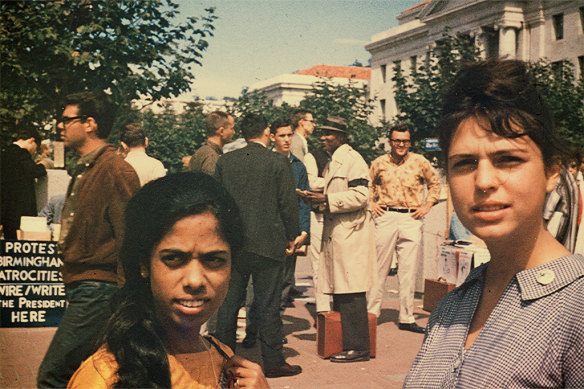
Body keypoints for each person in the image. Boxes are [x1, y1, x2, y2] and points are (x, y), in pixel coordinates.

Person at [404, 59, 584, 388]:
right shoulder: (449, 308)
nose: (484, 180)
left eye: (508, 159)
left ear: (552, 171)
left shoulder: (576, 306)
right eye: (464, 163)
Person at [67, 172, 269, 389]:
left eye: (213, 260)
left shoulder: (226, 362)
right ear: (144, 264)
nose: (194, 280)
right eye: (173, 259)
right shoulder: (107, 378)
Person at [37, 91, 141, 388]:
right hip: (85, 286)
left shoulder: (114, 170)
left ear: (89, 124)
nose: (60, 125)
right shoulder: (86, 168)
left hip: (99, 289)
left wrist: (129, 296)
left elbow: (130, 238)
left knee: (53, 375)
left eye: (66, 119)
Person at [214, 113, 302, 378]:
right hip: (269, 243)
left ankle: (223, 360)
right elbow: (287, 203)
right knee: (268, 304)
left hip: (234, 244)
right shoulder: (278, 162)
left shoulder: (225, 161)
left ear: (242, 133)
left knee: (228, 305)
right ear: (266, 132)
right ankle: (273, 361)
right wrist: (292, 235)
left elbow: (217, 203)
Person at [302, 116, 376, 363]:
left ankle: (359, 348)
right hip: (339, 231)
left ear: (342, 136)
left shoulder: (353, 161)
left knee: (352, 290)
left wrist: (327, 201)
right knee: (342, 290)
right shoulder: (334, 161)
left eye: (328, 133)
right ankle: (349, 344)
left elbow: (361, 195)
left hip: (350, 233)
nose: (322, 137)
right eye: (322, 132)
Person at [242, 118, 310, 348]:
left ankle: (273, 330)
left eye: (290, 135)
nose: (287, 140)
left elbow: (303, 201)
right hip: (265, 234)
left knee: (283, 285)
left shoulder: (298, 166)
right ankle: (252, 332)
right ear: (271, 137)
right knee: (257, 287)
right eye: (282, 135)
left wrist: (303, 231)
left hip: (288, 234)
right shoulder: (263, 161)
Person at [367, 123, 441, 334]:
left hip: (411, 217)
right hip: (386, 215)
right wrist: (371, 202)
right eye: (397, 140)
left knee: (408, 270)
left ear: (410, 142)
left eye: (405, 141)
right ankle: (371, 314)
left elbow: (435, 184)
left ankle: (406, 317)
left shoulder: (420, 162)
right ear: (390, 142)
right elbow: (367, 183)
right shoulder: (379, 162)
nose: (401, 145)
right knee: (379, 267)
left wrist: (428, 205)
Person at [1, 127, 47, 239]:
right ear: (32, 140)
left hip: (6, 209)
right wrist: (42, 165)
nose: (34, 152)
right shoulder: (21, 153)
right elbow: (33, 171)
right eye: (36, 148)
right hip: (19, 211)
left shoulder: (5, 152)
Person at [303, 147, 333, 314]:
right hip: (318, 216)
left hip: (338, 216)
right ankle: (323, 308)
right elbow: (311, 183)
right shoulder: (312, 156)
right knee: (319, 263)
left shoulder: (346, 156)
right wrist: (336, 183)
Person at [189, 111, 235, 175]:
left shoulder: (202, 151)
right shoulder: (212, 156)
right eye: (231, 129)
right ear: (221, 131)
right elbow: (211, 183)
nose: (234, 132)